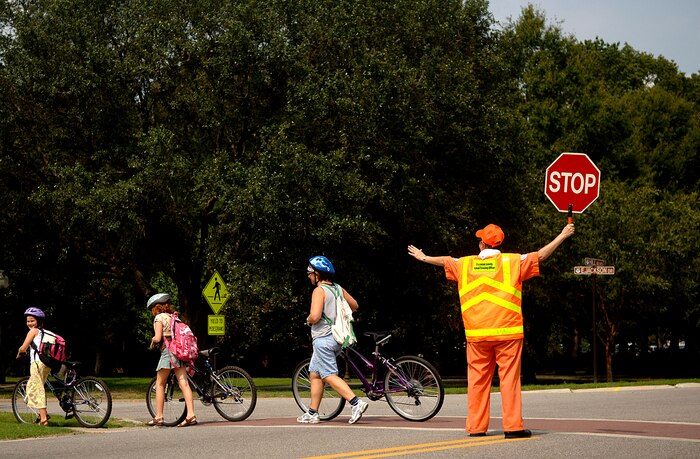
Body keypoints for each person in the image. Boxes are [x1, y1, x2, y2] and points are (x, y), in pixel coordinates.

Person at [408, 222, 575, 438]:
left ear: (481, 244)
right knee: (509, 381)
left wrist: (424, 257)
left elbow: (446, 261)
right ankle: (513, 427)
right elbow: (540, 256)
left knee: (477, 381)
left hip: (477, 335)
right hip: (508, 333)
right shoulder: (512, 261)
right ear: (500, 244)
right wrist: (562, 235)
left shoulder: (466, 264)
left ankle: (477, 428)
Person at [297, 255, 368, 424]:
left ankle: (356, 402)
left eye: (309, 272)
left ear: (317, 274)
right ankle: (312, 412)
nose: (308, 275)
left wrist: (308, 320)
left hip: (323, 340)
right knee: (315, 374)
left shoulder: (319, 291)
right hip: (337, 339)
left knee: (328, 375)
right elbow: (355, 305)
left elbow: (314, 316)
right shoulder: (337, 288)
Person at [147, 293, 197, 427]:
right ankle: (191, 414)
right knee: (184, 383)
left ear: (155, 307)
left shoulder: (159, 318)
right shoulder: (173, 317)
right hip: (178, 351)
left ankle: (159, 416)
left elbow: (158, 338)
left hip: (167, 352)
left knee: (160, 384)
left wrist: (152, 341)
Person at [16, 307, 52, 426]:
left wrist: (20, 351)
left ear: (39, 321)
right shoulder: (44, 332)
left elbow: (23, 346)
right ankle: (43, 414)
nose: (30, 323)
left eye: (32, 321)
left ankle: (44, 419)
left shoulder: (33, 331)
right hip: (46, 364)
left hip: (36, 363)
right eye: (28, 321)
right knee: (37, 387)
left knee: (37, 389)